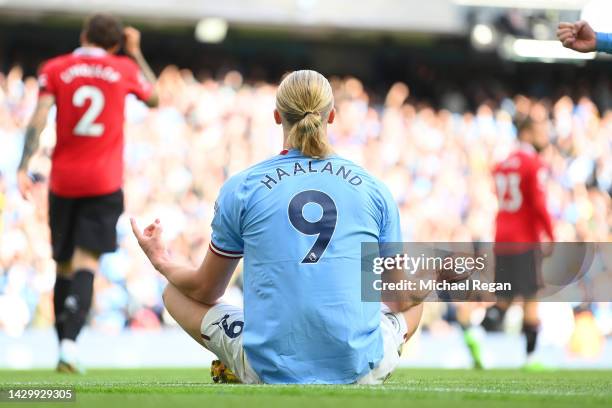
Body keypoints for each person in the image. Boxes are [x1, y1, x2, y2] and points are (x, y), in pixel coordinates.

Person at [131, 70, 423, 384]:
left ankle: (241, 362)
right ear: (332, 116)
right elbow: (401, 300)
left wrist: (161, 260)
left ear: (276, 116)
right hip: (359, 369)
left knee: (174, 293)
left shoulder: (243, 187)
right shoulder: (373, 188)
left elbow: (205, 289)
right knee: (415, 299)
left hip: (266, 369)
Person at [17, 13, 158, 373]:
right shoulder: (123, 68)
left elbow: (39, 116)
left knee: (62, 265)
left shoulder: (56, 67)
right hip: (103, 183)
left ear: (83, 35)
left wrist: (23, 165)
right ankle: (69, 347)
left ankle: (61, 344)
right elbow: (154, 97)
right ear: (116, 44)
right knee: (86, 263)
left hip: (63, 181)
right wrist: (135, 53)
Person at [467, 118, 555, 370]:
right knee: (531, 296)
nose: (545, 135)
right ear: (527, 133)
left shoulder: (502, 164)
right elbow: (538, 204)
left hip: (502, 236)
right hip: (525, 238)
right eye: (540, 130)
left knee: (505, 298)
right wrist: (550, 234)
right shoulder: (533, 163)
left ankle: (478, 333)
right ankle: (530, 358)